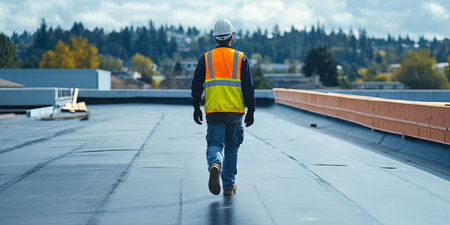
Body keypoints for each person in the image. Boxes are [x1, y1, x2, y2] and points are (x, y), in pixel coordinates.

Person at [191, 18, 255, 195]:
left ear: (215, 39)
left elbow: (196, 86)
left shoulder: (206, 58)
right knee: (232, 147)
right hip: (235, 113)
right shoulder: (241, 58)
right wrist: (251, 110)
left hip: (214, 111)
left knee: (215, 144)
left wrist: (196, 106)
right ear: (231, 37)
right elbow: (248, 88)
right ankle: (228, 186)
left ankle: (215, 164)